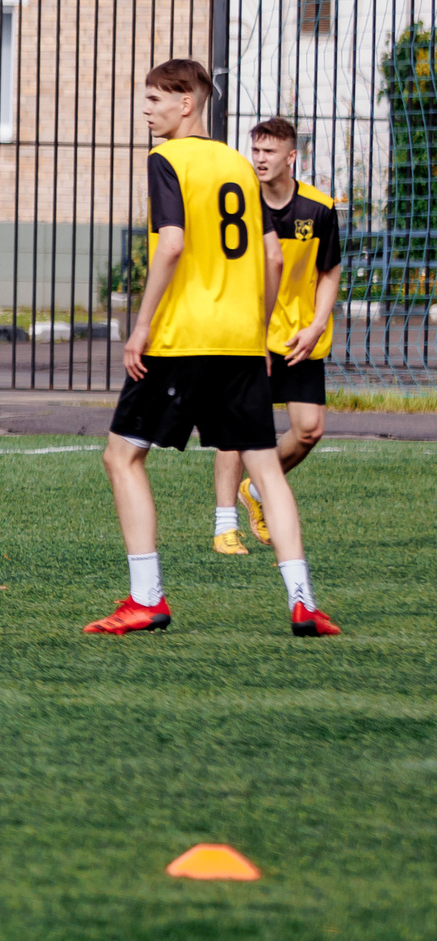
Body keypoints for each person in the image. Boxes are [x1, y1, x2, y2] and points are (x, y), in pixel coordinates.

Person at [90, 61, 338, 637]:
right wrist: (257, 328)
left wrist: (141, 325)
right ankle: (303, 602)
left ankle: (146, 598)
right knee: (266, 469)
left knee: (122, 456)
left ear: (187, 104)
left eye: (156, 99)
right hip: (242, 344)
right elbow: (273, 259)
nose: (147, 109)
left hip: (183, 340)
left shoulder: (166, 160)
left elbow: (171, 245)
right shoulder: (235, 162)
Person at [208, 116, 341, 555]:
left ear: (291, 156)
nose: (260, 159)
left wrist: (318, 323)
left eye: (269, 151)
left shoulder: (319, 208)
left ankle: (259, 492)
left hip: (298, 336)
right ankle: (225, 525)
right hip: (246, 333)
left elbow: (329, 271)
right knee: (235, 430)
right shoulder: (238, 205)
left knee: (309, 430)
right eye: (256, 150)